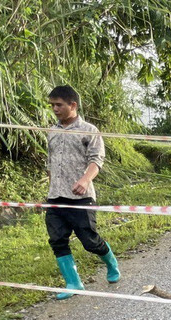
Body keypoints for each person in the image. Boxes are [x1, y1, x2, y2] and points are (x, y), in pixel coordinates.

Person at [45, 85, 120, 299]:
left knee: (89, 241)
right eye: (52, 105)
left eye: (59, 105)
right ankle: (73, 283)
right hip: (55, 197)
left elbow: (96, 160)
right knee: (57, 240)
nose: (55, 109)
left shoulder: (89, 130)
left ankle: (111, 263)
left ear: (73, 105)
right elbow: (50, 163)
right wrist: (51, 186)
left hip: (81, 197)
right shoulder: (52, 131)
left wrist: (85, 180)